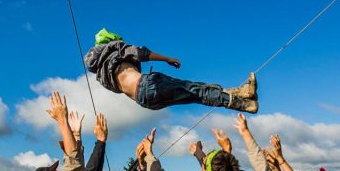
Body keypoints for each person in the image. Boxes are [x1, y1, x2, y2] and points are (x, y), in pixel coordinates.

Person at [84, 28, 258, 113]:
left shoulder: (101, 75)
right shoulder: (114, 48)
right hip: (148, 85)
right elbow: (140, 53)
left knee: (196, 93)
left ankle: (242, 93)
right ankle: (245, 103)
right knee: (197, 91)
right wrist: (168, 59)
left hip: (144, 101)